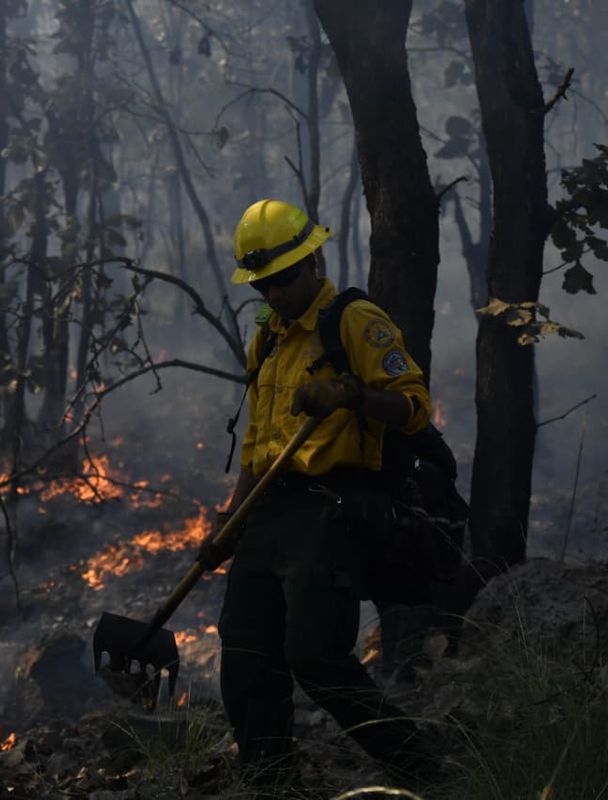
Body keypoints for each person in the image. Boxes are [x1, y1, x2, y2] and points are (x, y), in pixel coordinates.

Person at [200, 199, 436, 786]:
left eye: (283, 279)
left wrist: (351, 393)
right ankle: (270, 784)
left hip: (330, 511)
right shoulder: (269, 340)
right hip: (268, 510)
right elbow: (257, 444)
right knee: (247, 657)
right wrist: (230, 524)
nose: (274, 294)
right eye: (263, 284)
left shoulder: (353, 320)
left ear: (313, 262)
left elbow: (414, 408)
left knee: (315, 658)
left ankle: (430, 774)